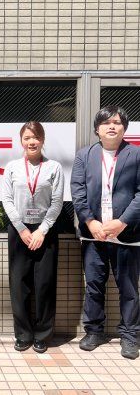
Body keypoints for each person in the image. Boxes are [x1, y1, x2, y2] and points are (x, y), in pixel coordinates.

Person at [71, 106, 140, 360]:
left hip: (127, 234)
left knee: (129, 288)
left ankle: (130, 335)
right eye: (106, 122)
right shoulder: (84, 155)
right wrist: (90, 222)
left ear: (124, 128)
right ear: (97, 129)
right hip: (94, 235)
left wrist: (122, 222)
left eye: (117, 122)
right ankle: (94, 331)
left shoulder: (136, 154)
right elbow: (78, 191)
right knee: (94, 286)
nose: (112, 126)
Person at [2, 121, 64, 353]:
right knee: (19, 284)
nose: (32, 141)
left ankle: (43, 335)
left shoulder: (54, 167)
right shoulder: (12, 167)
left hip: (45, 231)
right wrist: (21, 228)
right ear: (21, 141)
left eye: (36, 137)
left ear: (42, 140)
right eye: (27, 137)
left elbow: (57, 202)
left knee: (45, 283)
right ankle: (23, 334)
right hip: (19, 231)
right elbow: (7, 199)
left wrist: (42, 230)